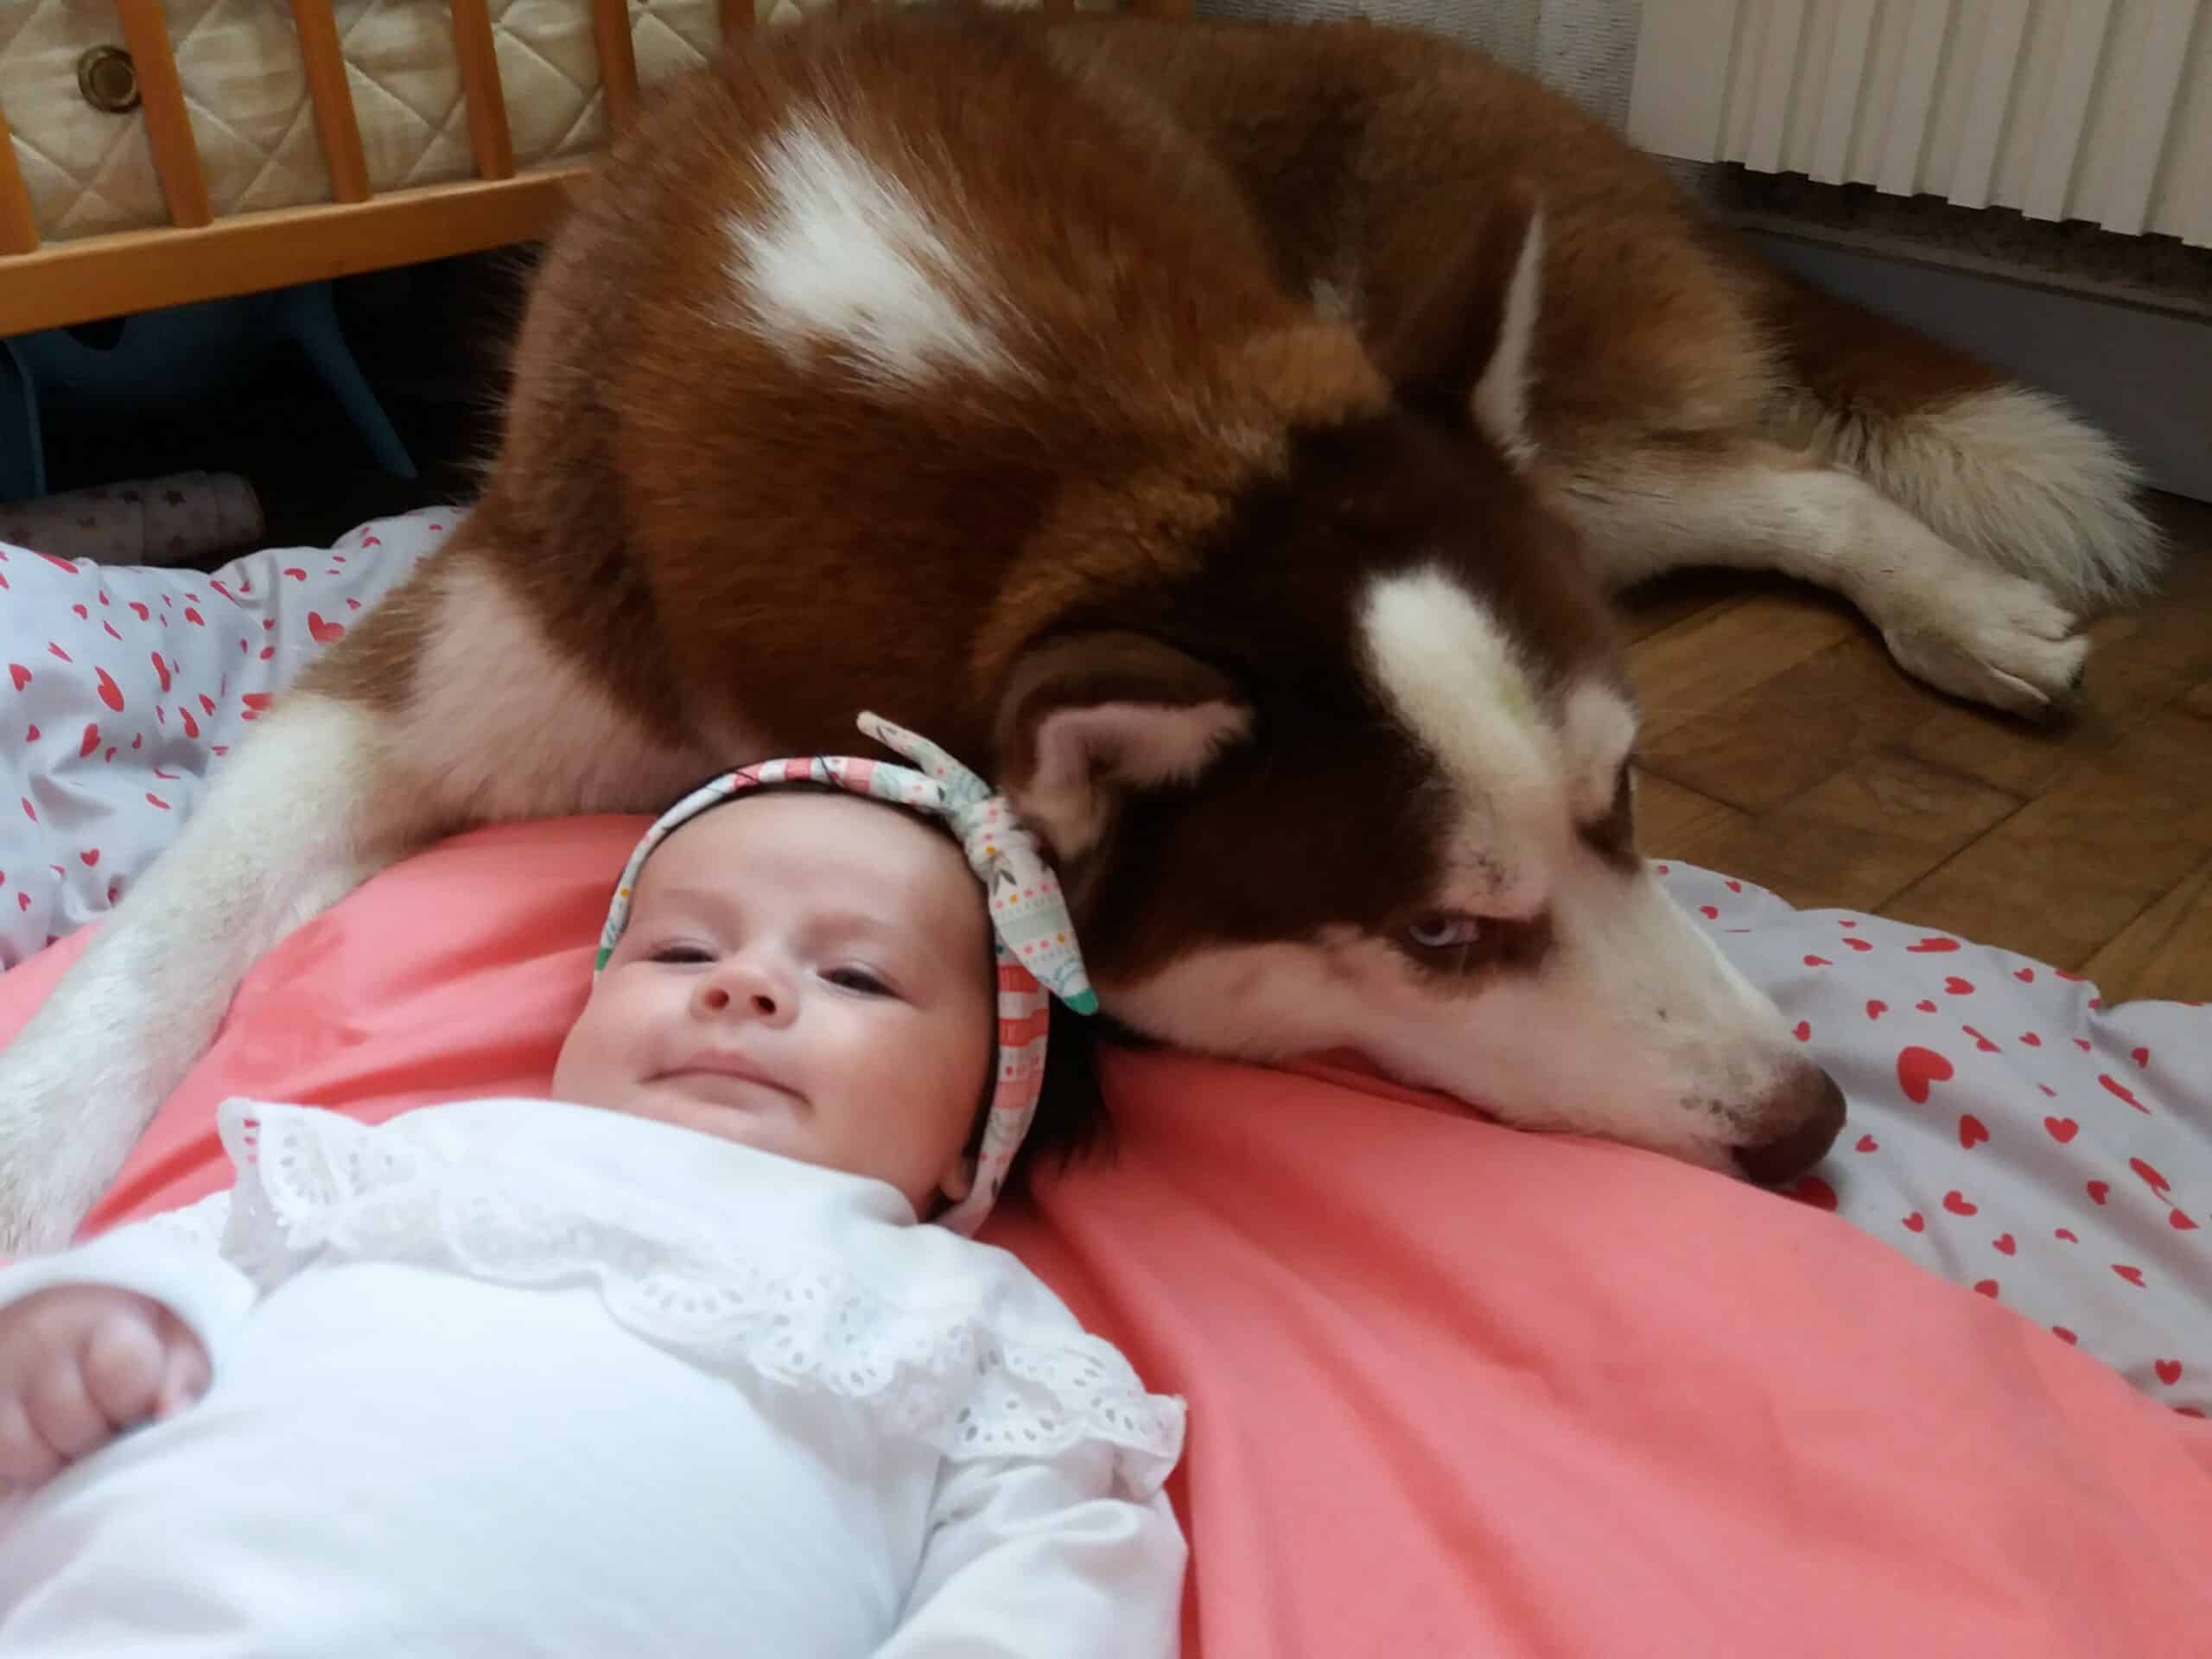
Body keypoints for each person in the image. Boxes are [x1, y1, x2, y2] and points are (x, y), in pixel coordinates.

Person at [0, 714, 1186, 1656]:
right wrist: (79, 1329)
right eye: (682, 951)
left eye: (857, 975)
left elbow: (1055, 1582)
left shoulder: (971, 1323)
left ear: (974, 1138)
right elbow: (182, 1274)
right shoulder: (418, 1154)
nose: (746, 988)